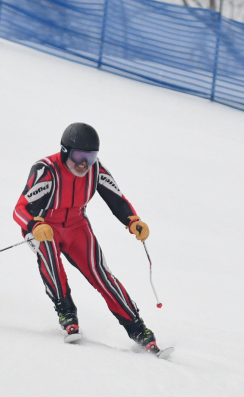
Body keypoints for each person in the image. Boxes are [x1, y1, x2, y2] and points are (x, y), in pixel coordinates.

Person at [13, 123, 160, 351]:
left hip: (76, 226)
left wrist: (133, 220)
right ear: (65, 151)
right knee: (50, 257)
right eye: (79, 156)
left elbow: (117, 199)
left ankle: (138, 329)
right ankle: (66, 313)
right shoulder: (46, 170)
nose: (84, 163)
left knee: (100, 273)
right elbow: (20, 209)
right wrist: (34, 225)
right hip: (45, 226)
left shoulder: (95, 170)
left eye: (90, 157)